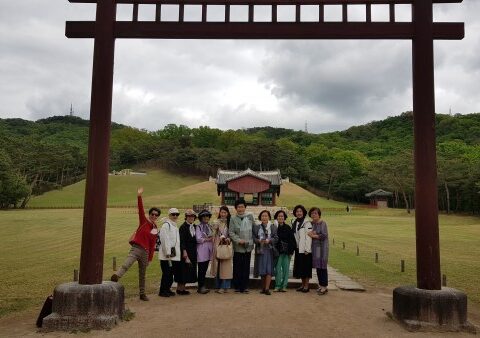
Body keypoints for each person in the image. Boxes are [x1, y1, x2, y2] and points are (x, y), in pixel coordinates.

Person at [111, 187, 159, 301]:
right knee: (127, 264)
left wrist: (150, 258)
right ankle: (117, 276)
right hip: (136, 248)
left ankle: (142, 294)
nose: (154, 216)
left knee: (142, 274)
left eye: (156, 215)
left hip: (146, 253)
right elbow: (141, 209)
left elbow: (152, 244)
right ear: (150, 214)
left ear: (158, 217)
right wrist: (139, 196)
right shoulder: (144, 221)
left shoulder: (155, 228)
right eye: (152, 214)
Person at [229, 198, 255, 293]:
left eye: (242, 206)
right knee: (237, 267)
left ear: (245, 207)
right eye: (239, 207)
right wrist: (239, 240)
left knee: (246, 267)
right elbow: (231, 232)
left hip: (248, 246)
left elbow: (253, 229)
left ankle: (245, 286)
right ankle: (237, 286)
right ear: (236, 208)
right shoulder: (232, 218)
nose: (240, 208)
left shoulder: (250, 217)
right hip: (238, 247)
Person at [253, 210, 278, 295]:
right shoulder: (257, 227)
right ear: (260, 217)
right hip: (260, 250)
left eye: (266, 216)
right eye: (263, 216)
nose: (264, 217)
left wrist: (269, 240)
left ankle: (267, 288)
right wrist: (259, 241)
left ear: (269, 217)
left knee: (269, 269)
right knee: (262, 269)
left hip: (269, 250)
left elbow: (276, 238)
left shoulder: (273, 227)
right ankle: (263, 288)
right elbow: (254, 238)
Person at [158, 208, 181, 297]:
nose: (175, 216)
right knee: (166, 273)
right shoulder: (166, 225)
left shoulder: (174, 225)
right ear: (169, 215)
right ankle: (162, 291)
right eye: (173, 214)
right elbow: (164, 239)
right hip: (167, 255)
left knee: (171, 273)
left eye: (176, 214)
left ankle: (167, 289)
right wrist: (167, 252)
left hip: (173, 254)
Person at [211, 206, 233, 294]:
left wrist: (228, 239)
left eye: (225, 212)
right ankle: (218, 286)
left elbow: (232, 234)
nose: (223, 214)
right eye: (222, 212)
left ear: (228, 213)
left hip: (226, 245)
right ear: (219, 213)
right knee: (218, 266)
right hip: (218, 245)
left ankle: (225, 286)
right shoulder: (216, 222)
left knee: (226, 267)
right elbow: (213, 233)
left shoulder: (230, 222)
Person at [176, 209, 198, 295]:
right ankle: (180, 289)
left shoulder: (195, 227)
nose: (191, 218)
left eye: (192, 216)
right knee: (183, 270)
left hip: (193, 251)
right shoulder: (183, 227)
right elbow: (182, 241)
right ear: (186, 217)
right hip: (185, 251)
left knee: (188, 270)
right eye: (189, 216)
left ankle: (182, 288)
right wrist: (184, 252)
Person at [274, 210, 296, 292]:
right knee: (277, 269)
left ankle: (284, 286)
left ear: (284, 217)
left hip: (286, 252)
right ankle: (277, 285)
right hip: (277, 252)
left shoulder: (288, 227)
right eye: (279, 216)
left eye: (282, 216)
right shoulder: (274, 227)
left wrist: (291, 252)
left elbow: (292, 241)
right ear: (276, 217)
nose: (280, 217)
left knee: (286, 269)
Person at [292, 204, 313, 292]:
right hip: (298, 248)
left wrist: (307, 249)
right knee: (300, 267)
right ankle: (302, 284)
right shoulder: (294, 222)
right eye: (297, 211)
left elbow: (309, 236)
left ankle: (306, 286)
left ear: (303, 212)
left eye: (300, 211)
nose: (299, 213)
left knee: (306, 268)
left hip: (305, 249)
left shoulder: (307, 222)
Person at [309, 207, 329, 295]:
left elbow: (324, 235)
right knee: (318, 266)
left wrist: (314, 235)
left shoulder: (322, 223)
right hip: (316, 248)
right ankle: (321, 285)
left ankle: (324, 287)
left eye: (315, 213)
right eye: (312, 213)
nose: (314, 215)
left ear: (319, 214)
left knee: (323, 267)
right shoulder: (311, 224)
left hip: (322, 248)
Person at [196, 209, 213, 294]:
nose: (206, 217)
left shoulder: (209, 226)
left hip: (208, 250)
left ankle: (202, 285)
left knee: (205, 269)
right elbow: (198, 239)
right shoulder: (198, 227)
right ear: (201, 218)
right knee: (201, 269)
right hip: (201, 250)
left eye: (207, 216)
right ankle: (200, 287)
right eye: (204, 216)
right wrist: (207, 239)